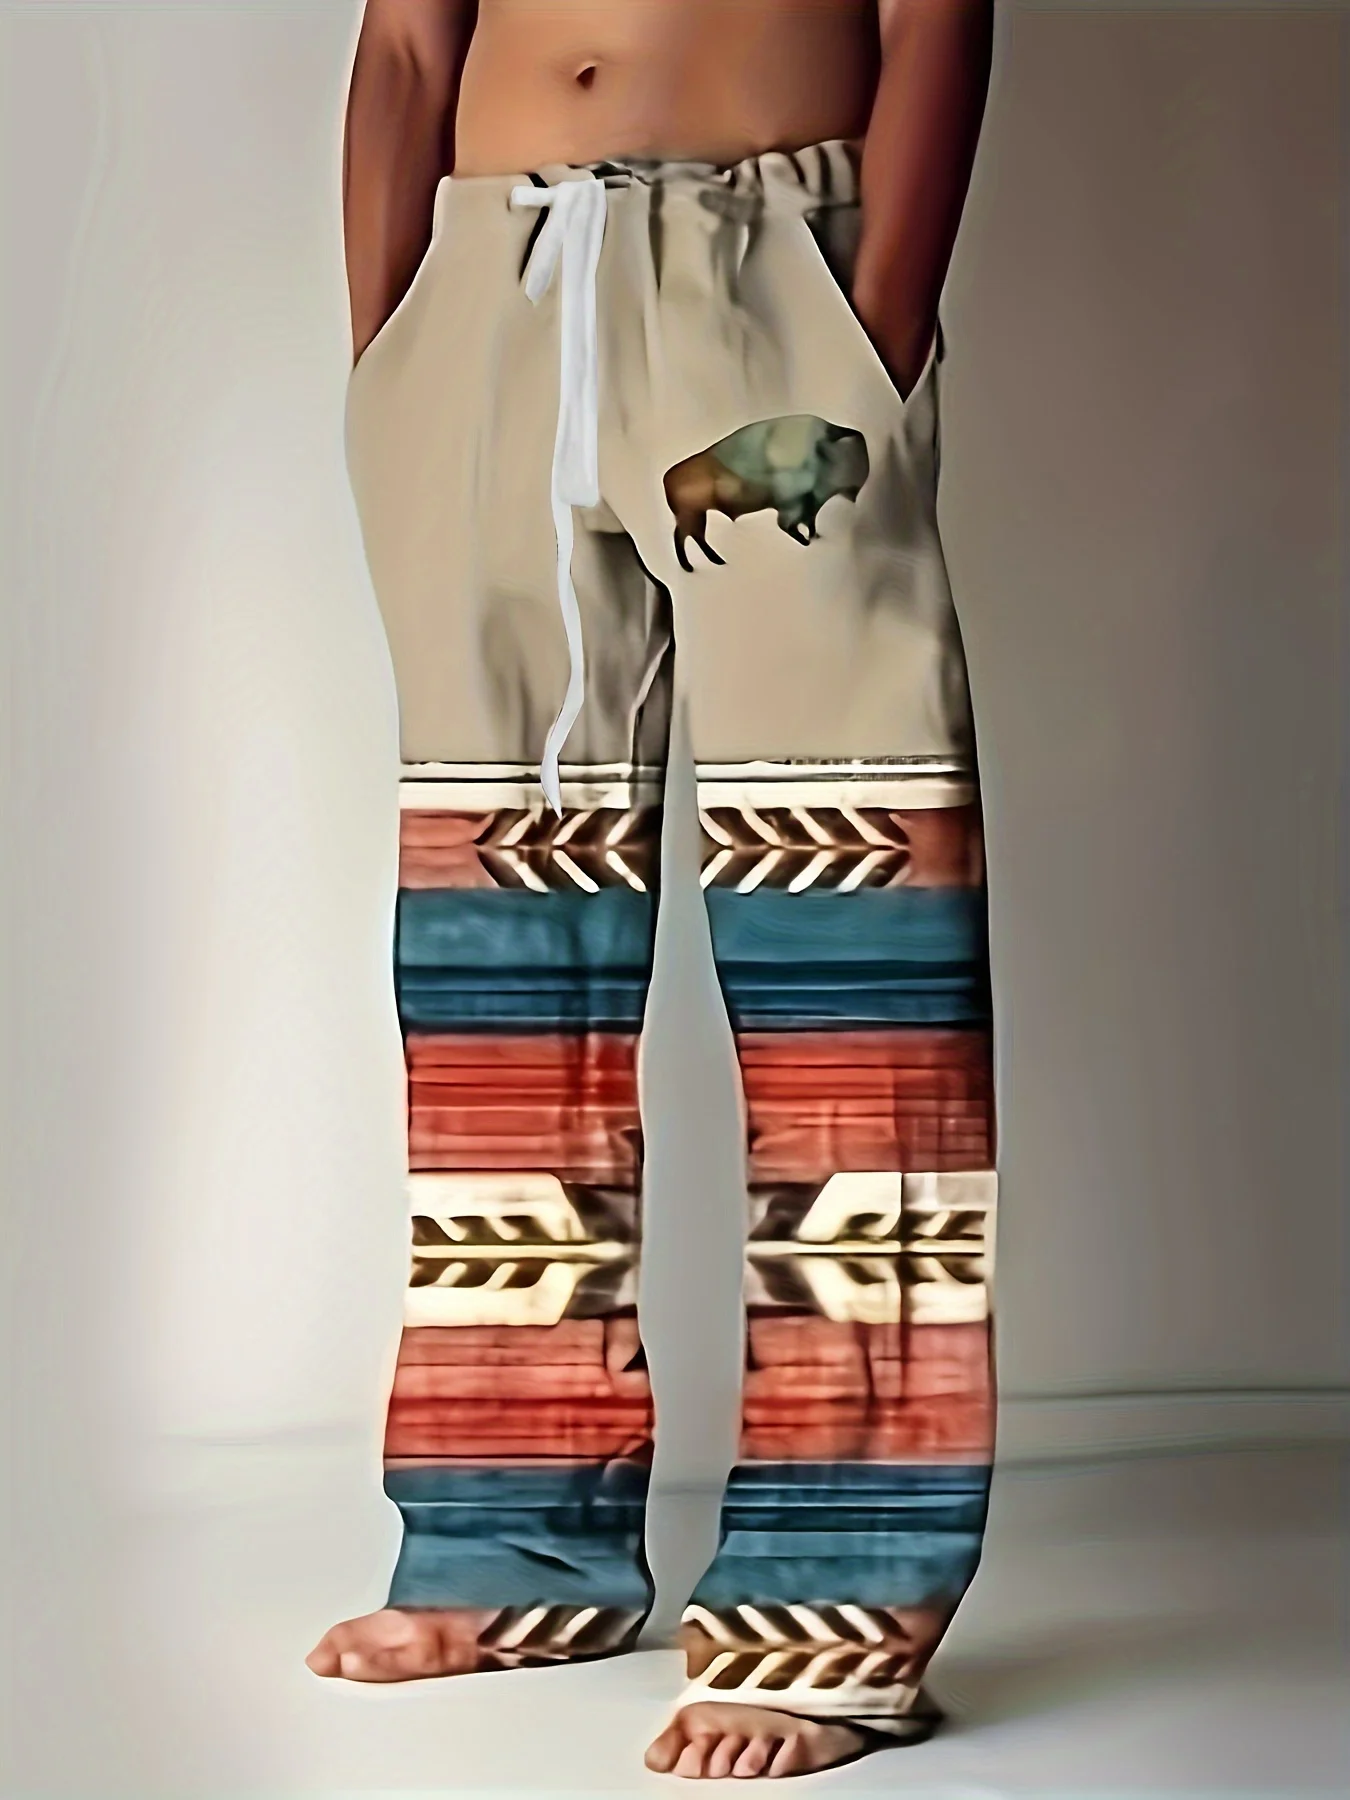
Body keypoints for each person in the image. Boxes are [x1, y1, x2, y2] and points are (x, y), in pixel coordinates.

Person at [308, 0, 998, 1779]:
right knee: (498, 953)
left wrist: (873, 327)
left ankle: (839, 1598)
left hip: (769, 285)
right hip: (488, 297)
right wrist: (390, 350)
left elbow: (935, 16)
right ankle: (510, 1545)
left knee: (854, 935)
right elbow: (406, 46)